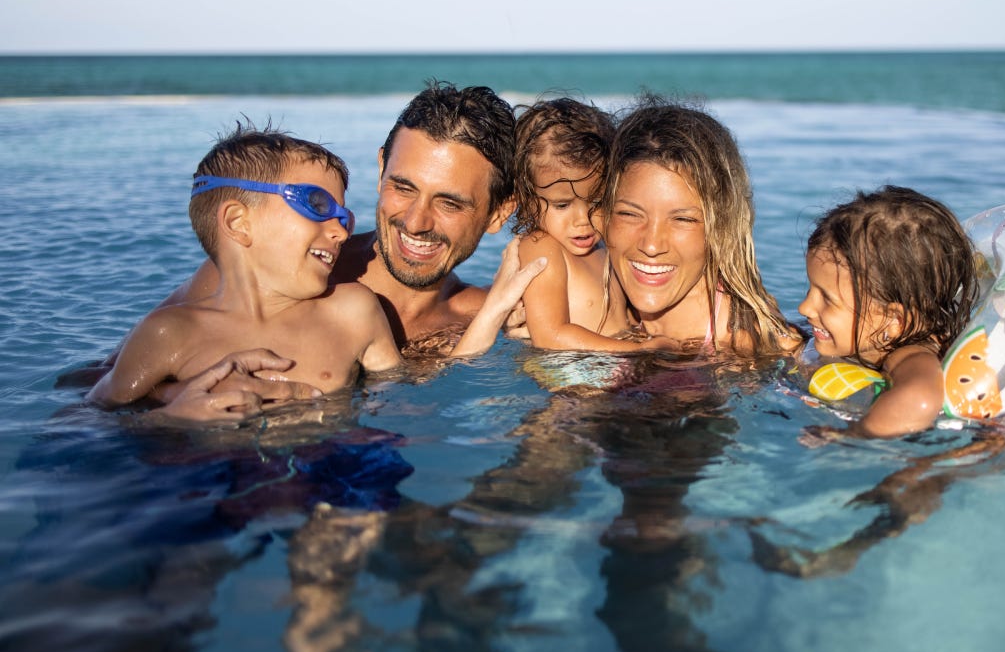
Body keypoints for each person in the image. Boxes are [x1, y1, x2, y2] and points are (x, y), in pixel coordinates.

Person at [132, 83, 546, 416]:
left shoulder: (494, 321)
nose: (417, 222)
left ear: (498, 214)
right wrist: (178, 398)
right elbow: (99, 384)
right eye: (403, 188)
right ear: (382, 168)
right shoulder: (273, 272)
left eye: (449, 203)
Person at [88, 126, 403, 410]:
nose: (342, 231)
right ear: (238, 223)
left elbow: (398, 396)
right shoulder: (170, 333)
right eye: (318, 206)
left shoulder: (353, 312)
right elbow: (90, 420)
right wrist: (169, 417)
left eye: (344, 217)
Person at [599, 97, 800, 357]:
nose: (651, 245)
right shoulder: (583, 299)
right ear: (601, 215)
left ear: (722, 226)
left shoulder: (742, 338)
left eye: (683, 219)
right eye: (629, 214)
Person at [799, 185, 979, 438]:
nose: (804, 307)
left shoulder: (911, 355)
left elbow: (921, 399)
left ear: (893, 320)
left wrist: (853, 435)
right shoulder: (888, 338)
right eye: (810, 289)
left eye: (827, 298)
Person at [510, 97, 674, 352]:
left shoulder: (603, 248)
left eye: (597, 202)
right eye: (562, 205)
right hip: (575, 379)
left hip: (612, 364)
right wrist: (638, 351)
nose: (583, 221)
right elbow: (550, 336)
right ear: (527, 201)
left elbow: (622, 317)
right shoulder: (541, 247)